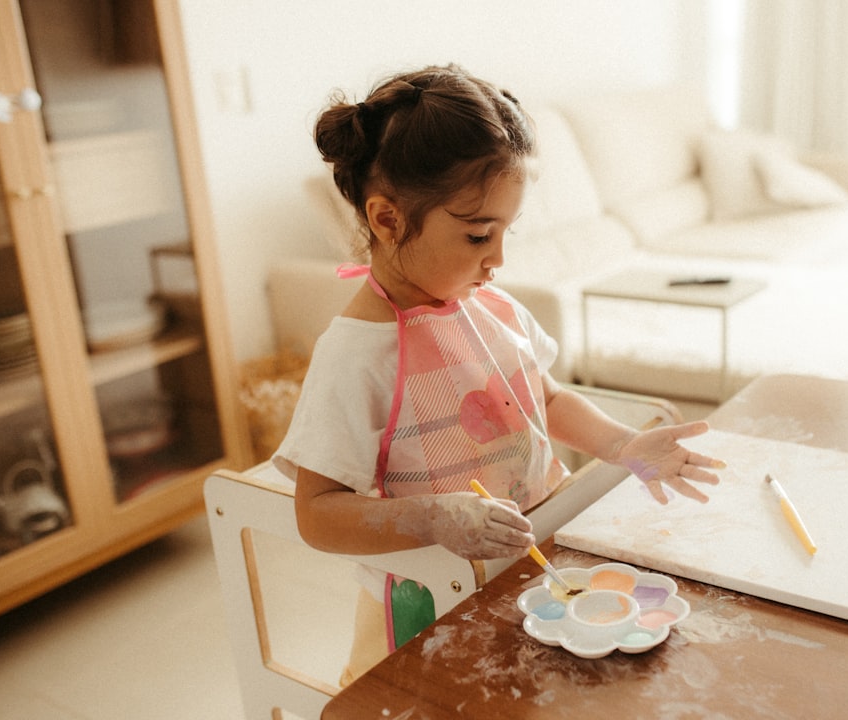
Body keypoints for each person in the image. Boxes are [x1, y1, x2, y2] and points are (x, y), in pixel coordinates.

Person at [273, 64, 725, 687]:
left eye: (507, 232)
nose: (499, 258)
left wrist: (621, 446)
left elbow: (545, 398)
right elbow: (317, 514)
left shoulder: (494, 307)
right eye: (480, 234)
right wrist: (433, 518)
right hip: (433, 598)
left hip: (539, 563)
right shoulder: (356, 354)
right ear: (386, 220)